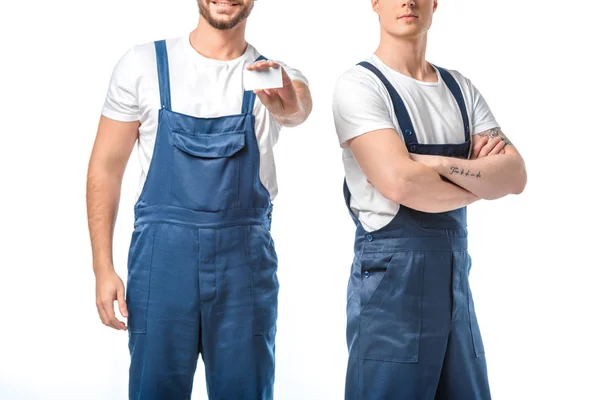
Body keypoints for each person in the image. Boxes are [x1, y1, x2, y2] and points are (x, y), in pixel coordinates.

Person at [86, 0, 312, 398]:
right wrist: (102, 268)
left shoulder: (271, 76)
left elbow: (297, 109)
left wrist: (288, 101)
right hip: (161, 263)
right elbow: (105, 168)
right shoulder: (142, 65)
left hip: (244, 268)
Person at [332, 0, 526, 398]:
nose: (407, 1)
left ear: (435, 2)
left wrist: (433, 163)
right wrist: (481, 183)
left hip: (456, 294)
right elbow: (401, 184)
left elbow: (516, 175)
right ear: (375, 3)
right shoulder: (360, 85)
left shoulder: (460, 90)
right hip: (391, 297)